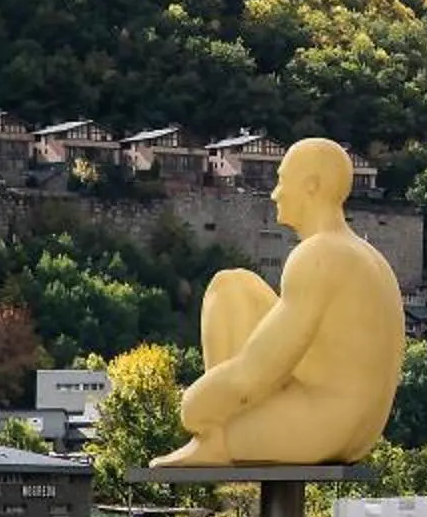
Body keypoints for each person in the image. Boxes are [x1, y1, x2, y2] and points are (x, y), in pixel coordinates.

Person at [152, 137, 405, 468]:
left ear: (312, 186)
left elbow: (255, 371)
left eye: (283, 181)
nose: (275, 193)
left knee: (206, 410)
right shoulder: (370, 257)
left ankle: (214, 440)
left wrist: (194, 408)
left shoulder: (318, 254)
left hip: (319, 427)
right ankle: (216, 435)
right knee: (231, 286)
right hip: (361, 432)